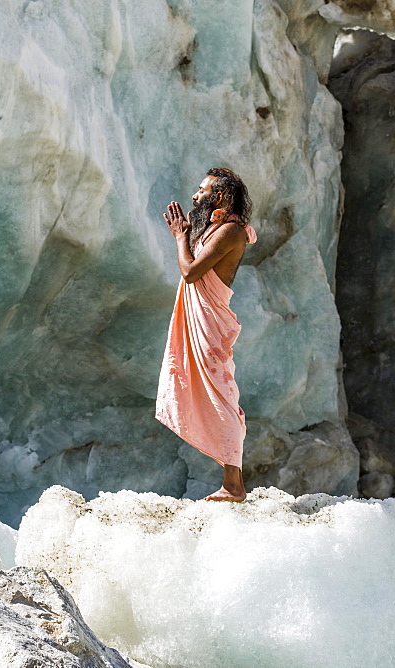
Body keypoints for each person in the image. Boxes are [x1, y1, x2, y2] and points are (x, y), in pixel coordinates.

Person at [156, 167, 257, 502]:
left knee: (222, 391)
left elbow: (190, 272)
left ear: (221, 196)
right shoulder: (216, 227)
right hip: (203, 316)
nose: (195, 195)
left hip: (211, 321)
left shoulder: (231, 231)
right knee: (213, 389)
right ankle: (232, 481)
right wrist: (187, 233)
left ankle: (233, 484)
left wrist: (179, 236)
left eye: (202, 190)